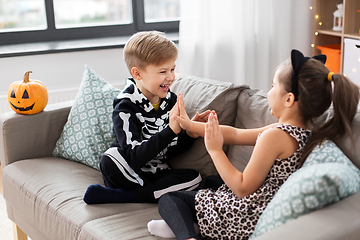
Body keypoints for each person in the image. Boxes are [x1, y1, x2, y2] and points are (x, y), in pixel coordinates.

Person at [147, 49, 359, 240]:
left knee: (170, 199)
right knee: (212, 181)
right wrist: (191, 125)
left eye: (273, 86)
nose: (268, 91)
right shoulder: (300, 133)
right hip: (260, 206)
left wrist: (214, 150)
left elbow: (242, 188)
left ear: (289, 99)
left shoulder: (274, 136)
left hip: (246, 216)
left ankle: (186, 235)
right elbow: (236, 134)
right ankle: (194, 225)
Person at [83, 31, 210, 204]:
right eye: (163, 71)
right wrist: (170, 130)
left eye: (172, 69)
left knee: (195, 178)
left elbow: (172, 149)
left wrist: (189, 134)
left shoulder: (171, 101)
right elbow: (133, 156)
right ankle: (150, 193)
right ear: (137, 74)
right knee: (110, 158)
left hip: (157, 172)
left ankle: (126, 196)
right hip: (129, 169)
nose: (171, 77)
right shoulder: (125, 106)